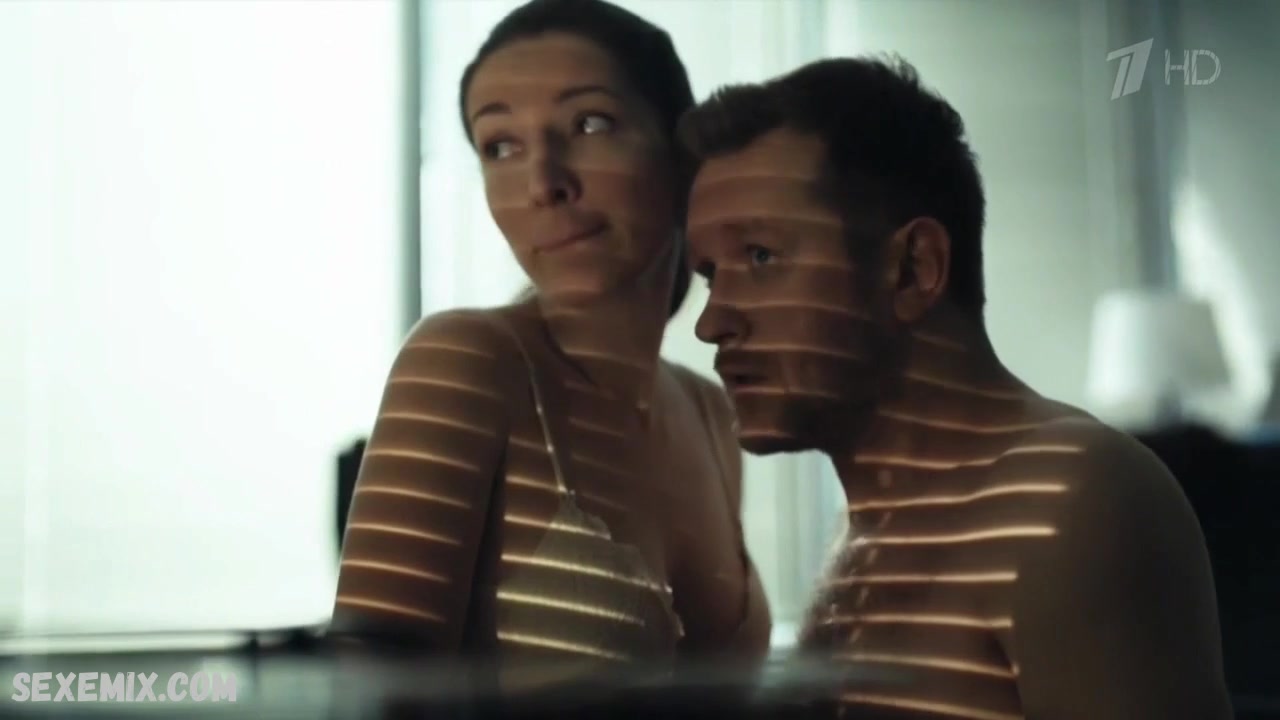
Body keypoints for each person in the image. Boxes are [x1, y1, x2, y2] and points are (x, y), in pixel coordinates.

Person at [679, 56, 1233, 719]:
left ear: (915, 268)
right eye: (710, 274)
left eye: (761, 256)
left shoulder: (1069, 502)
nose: (711, 323)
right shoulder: (871, 533)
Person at [328, 0, 770, 683]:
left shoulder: (710, 413)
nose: (542, 184)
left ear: (681, 155)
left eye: (590, 124)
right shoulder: (468, 363)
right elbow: (371, 689)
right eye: (500, 146)